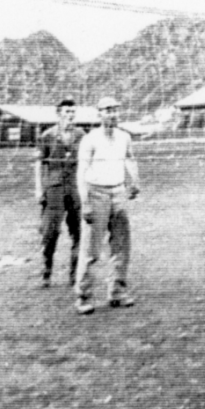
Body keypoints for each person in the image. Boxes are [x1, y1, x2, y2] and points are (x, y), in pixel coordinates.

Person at [74, 96, 140, 315]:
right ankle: (84, 296)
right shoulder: (90, 139)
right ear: (99, 114)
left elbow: (130, 158)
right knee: (91, 249)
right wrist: (85, 203)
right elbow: (81, 172)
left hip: (118, 192)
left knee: (121, 246)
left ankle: (117, 292)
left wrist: (135, 181)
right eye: (107, 110)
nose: (112, 114)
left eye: (115, 110)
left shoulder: (124, 137)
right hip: (96, 193)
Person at [35, 97, 84, 288]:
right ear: (58, 114)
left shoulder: (81, 134)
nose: (70, 115)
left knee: (79, 232)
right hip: (54, 188)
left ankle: (74, 274)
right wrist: (39, 188)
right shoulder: (47, 135)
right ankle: (46, 270)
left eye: (73, 112)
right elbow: (39, 164)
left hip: (75, 187)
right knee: (50, 232)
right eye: (66, 112)